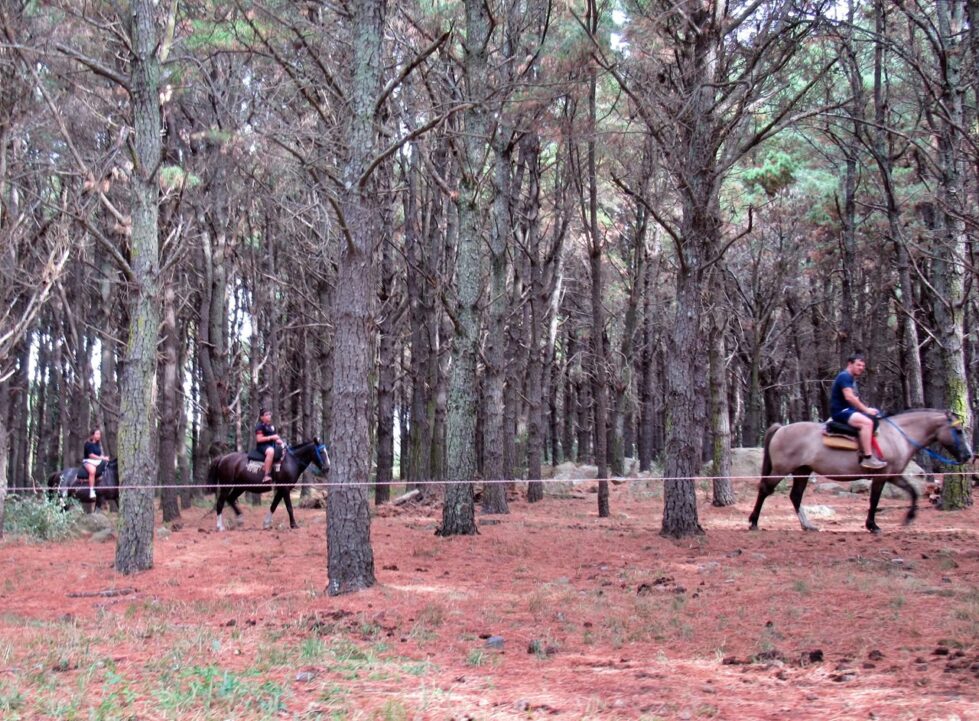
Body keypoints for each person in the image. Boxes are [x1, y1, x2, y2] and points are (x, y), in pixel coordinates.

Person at [830, 353, 886, 470]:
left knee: (873, 417)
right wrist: (865, 410)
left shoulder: (851, 379)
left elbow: (854, 399)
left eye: (863, 366)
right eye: (858, 365)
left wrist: (868, 410)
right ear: (850, 364)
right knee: (867, 423)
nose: (861, 368)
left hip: (848, 410)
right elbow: (849, 397)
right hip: (841, 412)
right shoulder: (845, 376)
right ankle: (868, 457)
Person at [255, 408, 285, 484]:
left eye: (269, 414)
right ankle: (266, 475)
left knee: (283, 450)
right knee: (270, 451)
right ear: (262, 417)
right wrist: (271, 437)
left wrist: (281, 443)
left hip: (272, 445)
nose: (269, 416)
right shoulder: (259, 426)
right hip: (262, 446)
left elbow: (276, 438)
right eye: (266, 415)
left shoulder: (271, 427)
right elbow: (259, 439)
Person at [82, 428, 110, 499]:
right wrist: (102, 458)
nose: (99, 435)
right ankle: (91, 490)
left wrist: (104, 457)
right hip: (88, 461)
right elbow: (91, 455)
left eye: (99, 434)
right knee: (92, 471)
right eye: (97, 434)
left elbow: (98, 454)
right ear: (92, 435)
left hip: (97, 461)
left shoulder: (98, 444)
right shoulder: (88, 444)